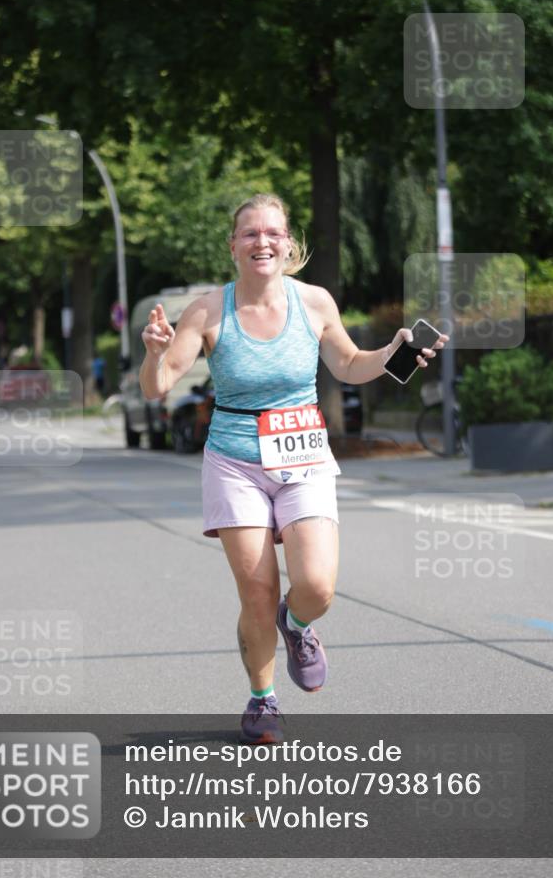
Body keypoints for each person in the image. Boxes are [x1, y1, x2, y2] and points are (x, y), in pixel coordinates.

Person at [139, 193, 448, 742]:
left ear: (287, 244)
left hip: (303, 456)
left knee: (318, 586)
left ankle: (298, 623)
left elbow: (348, 364)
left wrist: (393, 352)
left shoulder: (314, 302)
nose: (262, 241)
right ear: (233, 246)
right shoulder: (208, 311)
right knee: (257, 593)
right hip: (235, 462)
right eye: (250, 233)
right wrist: (153, 353)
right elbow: (157, 387)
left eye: (272, 233)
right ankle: (263, 700)